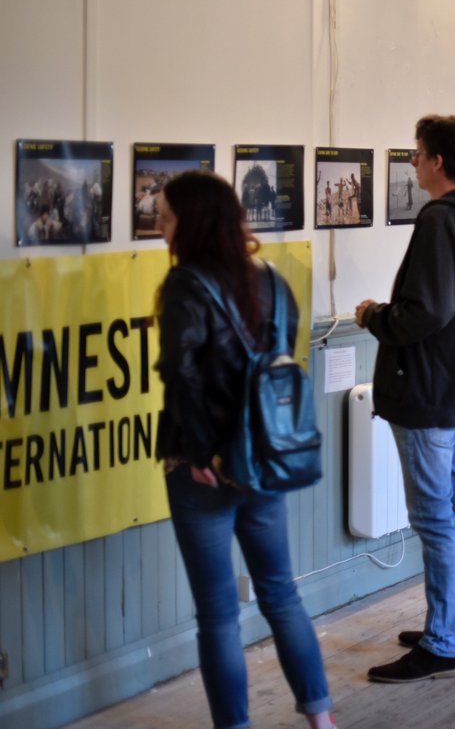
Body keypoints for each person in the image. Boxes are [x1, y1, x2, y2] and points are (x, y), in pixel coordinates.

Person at [154, 170, 335, 729]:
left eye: (164, 217)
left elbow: (181, 374)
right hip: (268, 458)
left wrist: (205, 454)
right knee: (281, 595)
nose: (159, 227)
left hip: (201, 470)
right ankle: (321, 722)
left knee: (218, 616)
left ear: (193, 222)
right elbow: (284, 353)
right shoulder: (273, 280)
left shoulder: (186, 284)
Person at [355, 115, 455, 682]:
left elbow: (428, 311)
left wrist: (373, 316)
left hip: (430, 391)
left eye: (417, 154)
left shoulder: (442, 220)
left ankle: (443, 638)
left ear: (439, 162)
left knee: (436, 517)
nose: (412, 162)